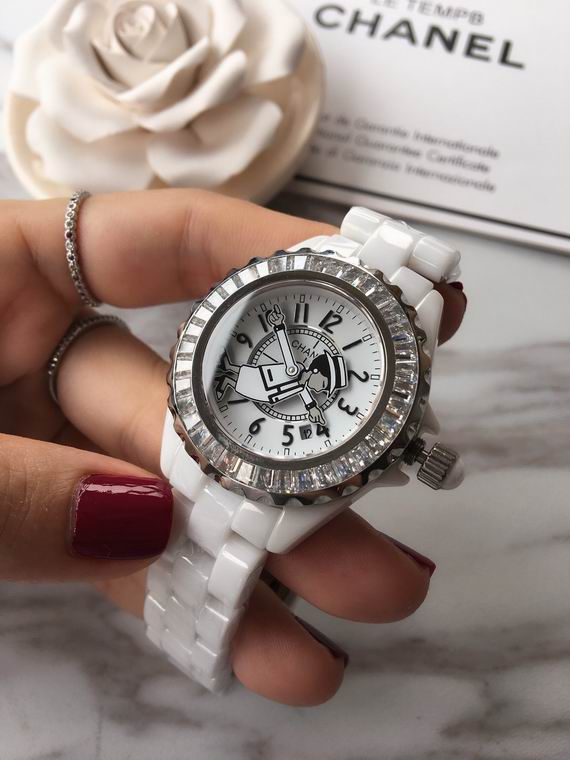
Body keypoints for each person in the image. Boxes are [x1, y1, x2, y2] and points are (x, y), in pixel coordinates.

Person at [0, 189, 467, 705]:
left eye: (310, 380)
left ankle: (202, 628)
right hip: (208, 439)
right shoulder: (312, 271)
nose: (298, 379)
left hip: (268, 467)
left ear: (403, 443)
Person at [215, 305, 348, 426]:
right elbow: (285, 348)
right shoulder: (295, 368)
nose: (319, 391)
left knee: (243, 387)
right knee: (247, 375)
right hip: (265, 379)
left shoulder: (302, 386)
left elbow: (305, 394)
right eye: (324, 385)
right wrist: (279, 326)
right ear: (317, 371)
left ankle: (227, 380)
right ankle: (228, 368)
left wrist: (313, 408)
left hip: (267, 394)